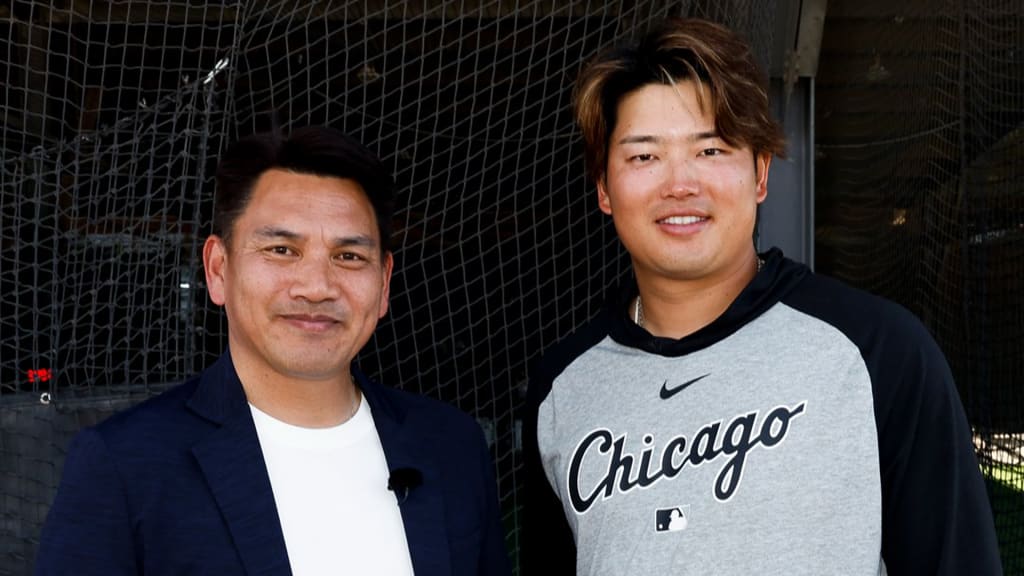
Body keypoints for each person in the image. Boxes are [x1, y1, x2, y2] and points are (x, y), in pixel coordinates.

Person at [523, 17, 1001, 575]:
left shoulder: (878, 351)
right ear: (605, 188)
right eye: (644, 156)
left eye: (711, 150)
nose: (680, 184)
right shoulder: (563, 389)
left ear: (760, 174)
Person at [36, 126, 512, 576]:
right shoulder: (126, 464)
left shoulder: (451, 446)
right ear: (218, 269)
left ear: (384, 282)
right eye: (282, 250)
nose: (317, 287)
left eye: (349, 256)